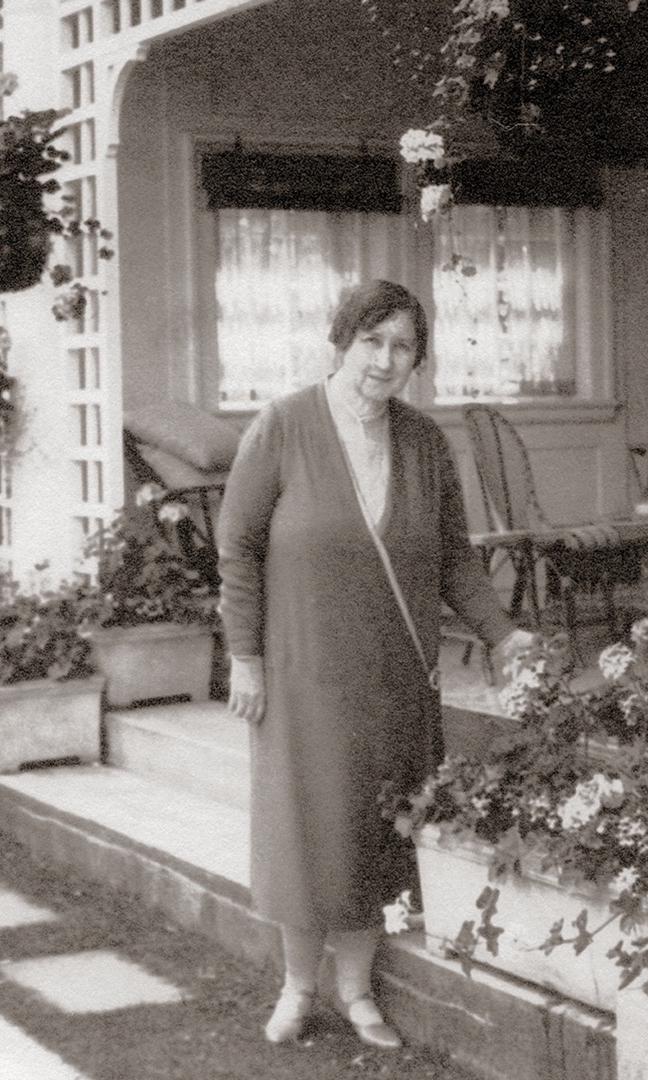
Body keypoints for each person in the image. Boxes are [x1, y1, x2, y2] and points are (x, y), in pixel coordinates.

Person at [217, 279, 532, 1048]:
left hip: (395, 677)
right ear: (342, 340)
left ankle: (357, 992)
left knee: (372, 831)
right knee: (307, 833)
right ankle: (297, 990)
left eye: (403, 348)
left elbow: (455, 559)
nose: (385, 361)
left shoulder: (424, 443)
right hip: (301, 675)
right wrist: (245, 659)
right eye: (372, 341)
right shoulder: (284, 426)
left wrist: (501, 634)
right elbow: (239, 547)